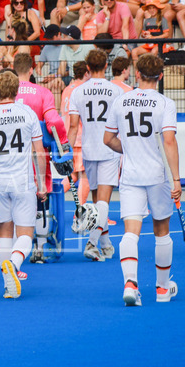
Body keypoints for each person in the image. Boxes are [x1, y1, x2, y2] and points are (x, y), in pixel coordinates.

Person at [103, 53, 181, 306]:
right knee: (162, 232)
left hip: (131, 174)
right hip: (158, 175)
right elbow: (169, 141)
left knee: (131, 231)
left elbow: (108, 139)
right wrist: (177, 179)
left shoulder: (121, 100)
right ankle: (162, 289)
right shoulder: (165, 103)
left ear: (137, 74)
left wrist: (128, 149)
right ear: (160, 76)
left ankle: (130, 284)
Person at [0, 70, 46, 299]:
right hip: (22, 180)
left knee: (4, 230)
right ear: (16, 90)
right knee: (25, 233)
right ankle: (13, 264)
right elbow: (39, 152)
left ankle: (8, 284)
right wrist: (42, 183)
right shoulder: (27, 113)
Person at [67, 49, 126, 261]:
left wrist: (67, 152)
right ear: (106, 66)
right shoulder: (116, 91)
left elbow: (73, 126)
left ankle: (105, 244)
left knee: (97, 200)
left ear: (88, 68)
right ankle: (92, 244)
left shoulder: (78, 91)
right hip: (109, 149)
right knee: (103, 202)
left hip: (89, 149)